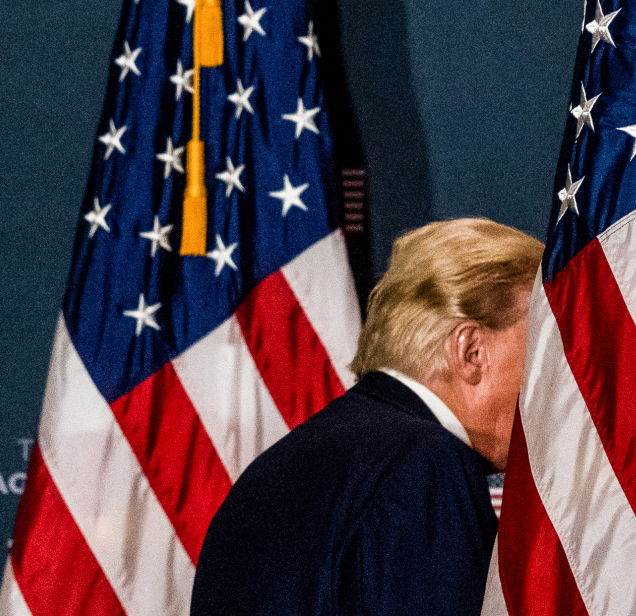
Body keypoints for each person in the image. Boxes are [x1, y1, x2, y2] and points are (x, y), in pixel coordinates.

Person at [191, 218, 544, 616]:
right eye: (539, 351)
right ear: (471, 352)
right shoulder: (425, 466)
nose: (545, 382)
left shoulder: (276, 468)